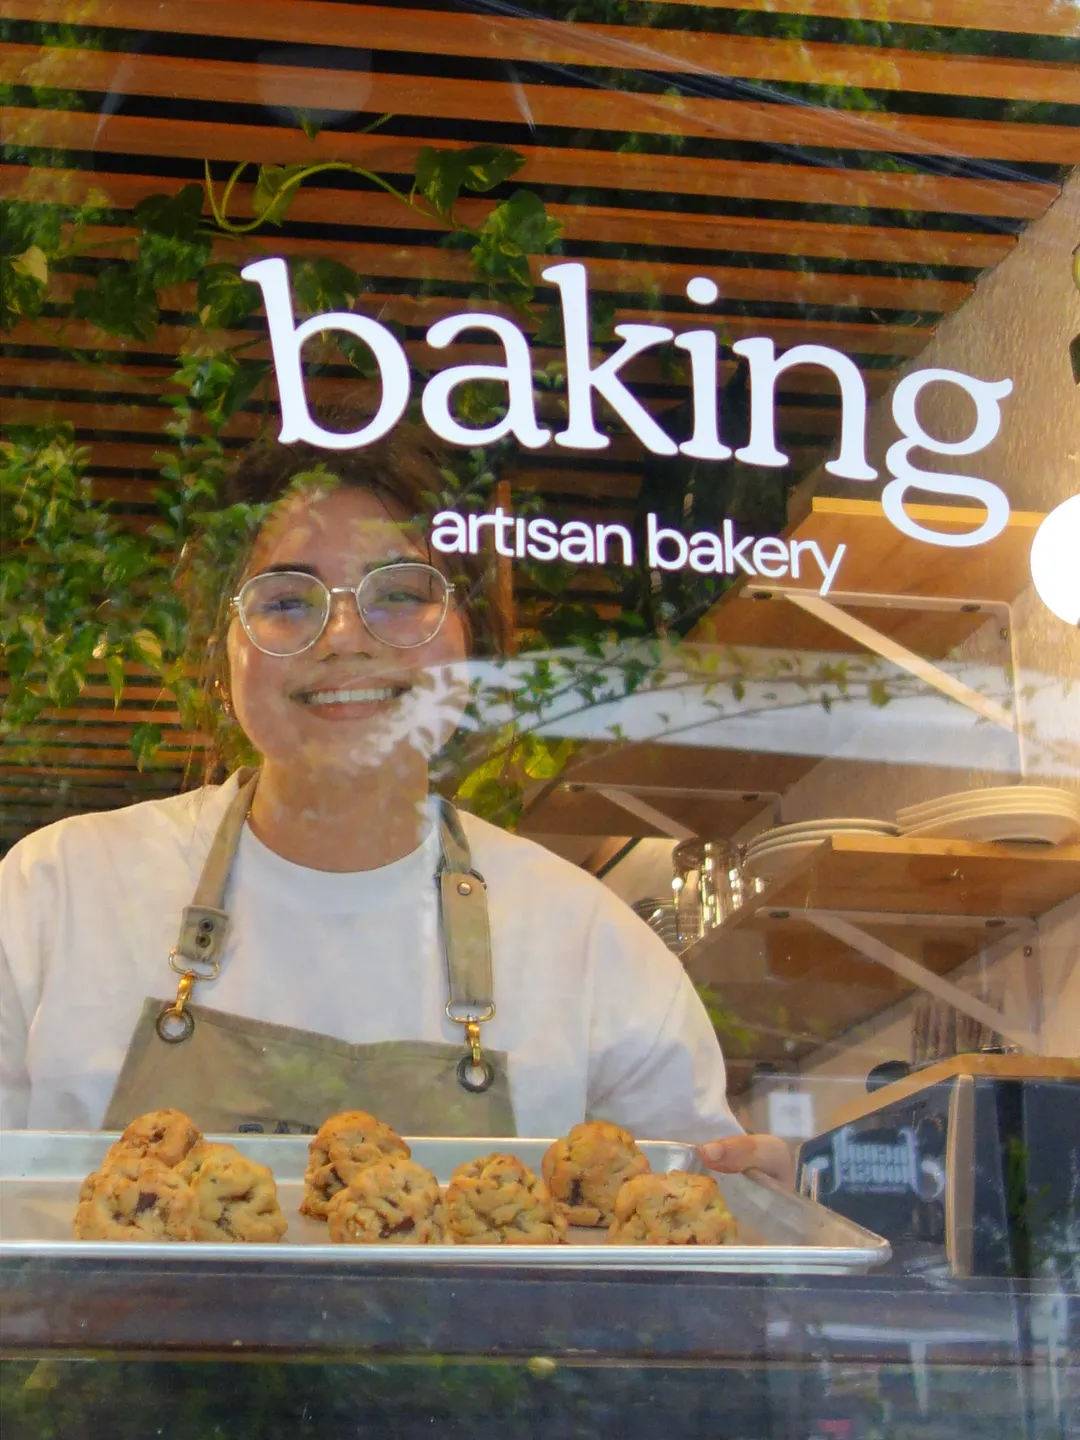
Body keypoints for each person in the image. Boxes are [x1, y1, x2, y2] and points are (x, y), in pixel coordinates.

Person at [0, 425, 792, 1185]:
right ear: (224, 652)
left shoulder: (590, 945)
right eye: (285, 601)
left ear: (473, 639)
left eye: (401, 593)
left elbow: (687, 1239)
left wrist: (759, 1203)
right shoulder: (59, 891)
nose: (344, 635)